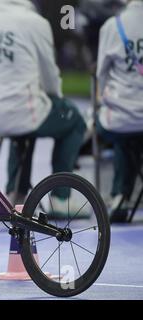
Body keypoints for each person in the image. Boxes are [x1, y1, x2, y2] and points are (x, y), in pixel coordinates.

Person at [0, 0, 87, 217]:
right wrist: (55, 99)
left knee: (24, 117)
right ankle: (61, 199)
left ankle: (15, 193)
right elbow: (50, 77)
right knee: (73, 119)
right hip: (17, 112)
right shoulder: (34, 22)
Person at [96, 0, 143, 221]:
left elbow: (101, 76)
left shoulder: (112, 26)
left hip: (120, 119)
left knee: (126, 133)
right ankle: (121, 195)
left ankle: (120, 196)